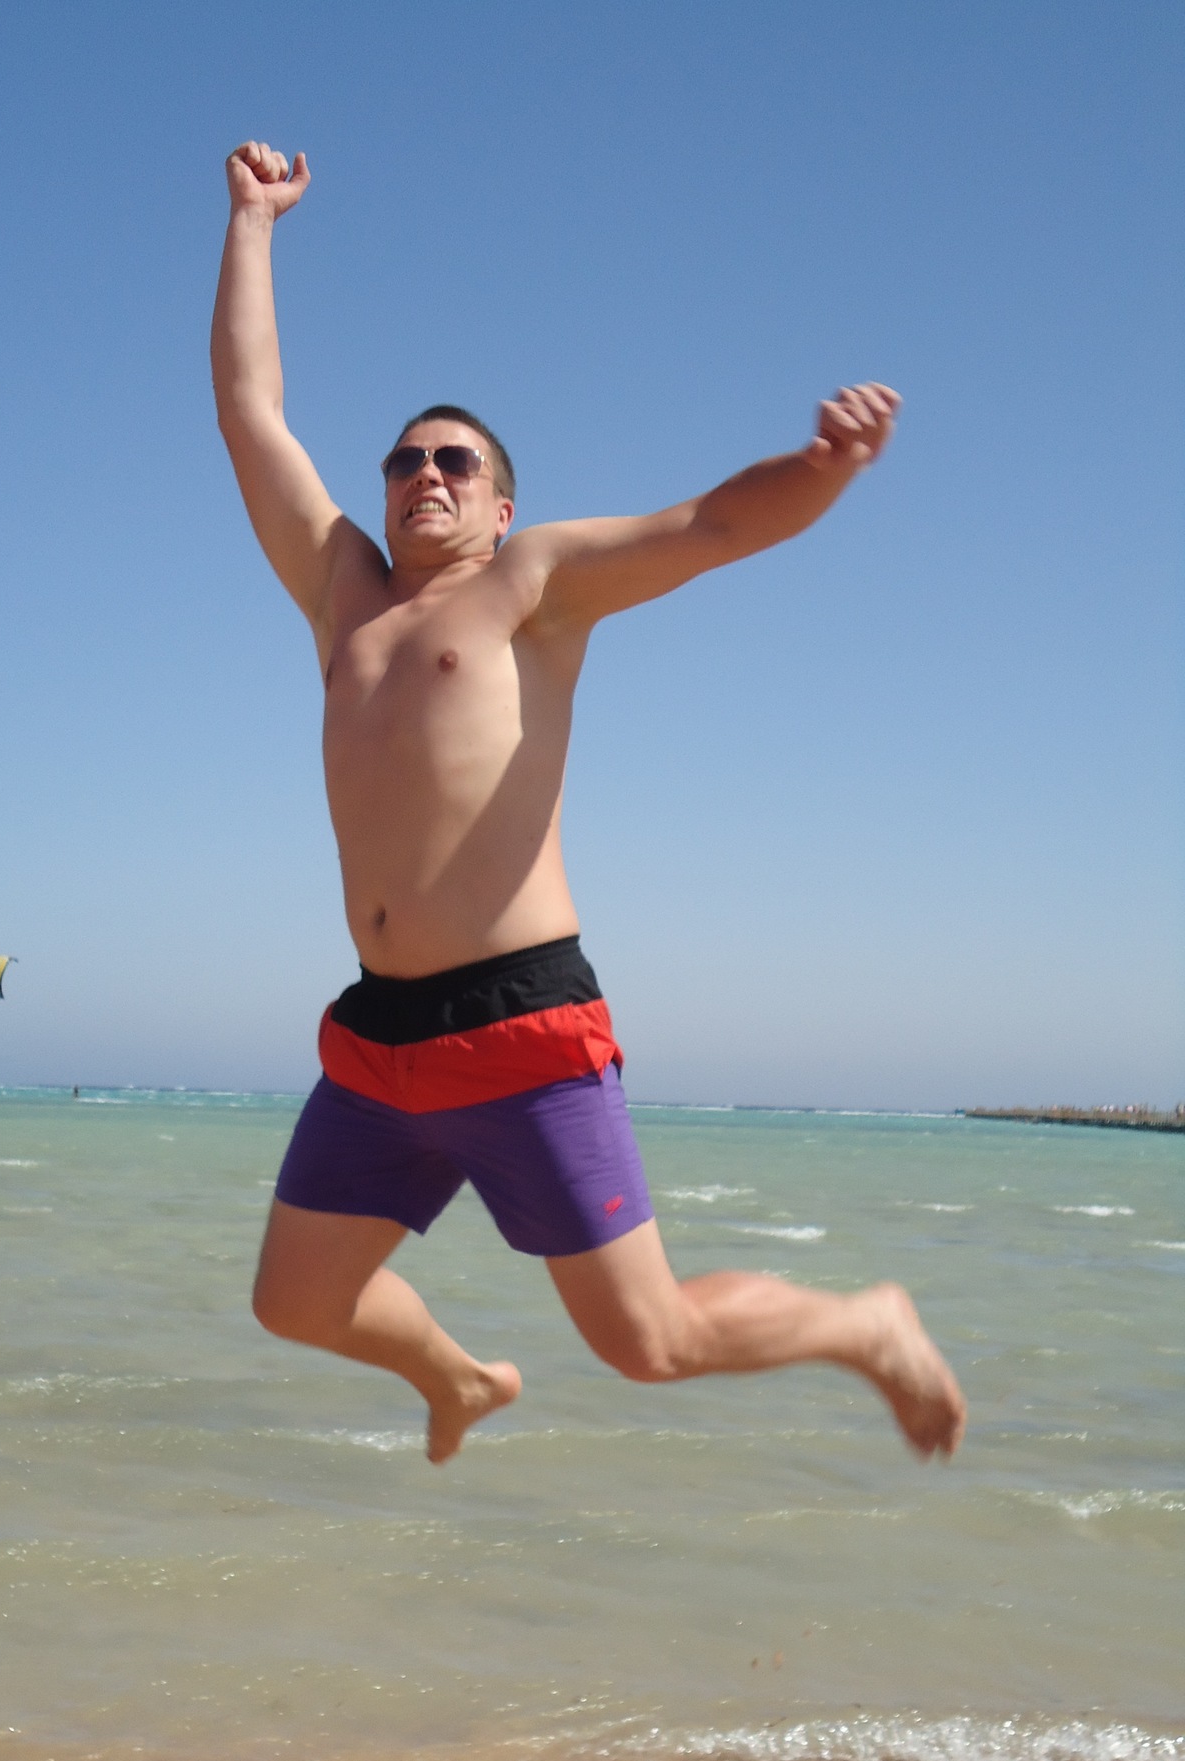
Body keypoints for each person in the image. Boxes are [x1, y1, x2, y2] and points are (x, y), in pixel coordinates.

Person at [212, 140, 966, 1467]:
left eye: (454, 462)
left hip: (521, 1025)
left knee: (648, 1342)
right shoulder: (342, 594)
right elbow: (250, 410)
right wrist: (253, 224)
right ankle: (458, 1379)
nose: (424, 475)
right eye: (404, 461)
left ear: (502, 506)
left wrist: (825, 466)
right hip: (380, 1040)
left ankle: (867, 1324)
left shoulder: (534, 587)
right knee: (294, 1299)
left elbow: (713, 525)